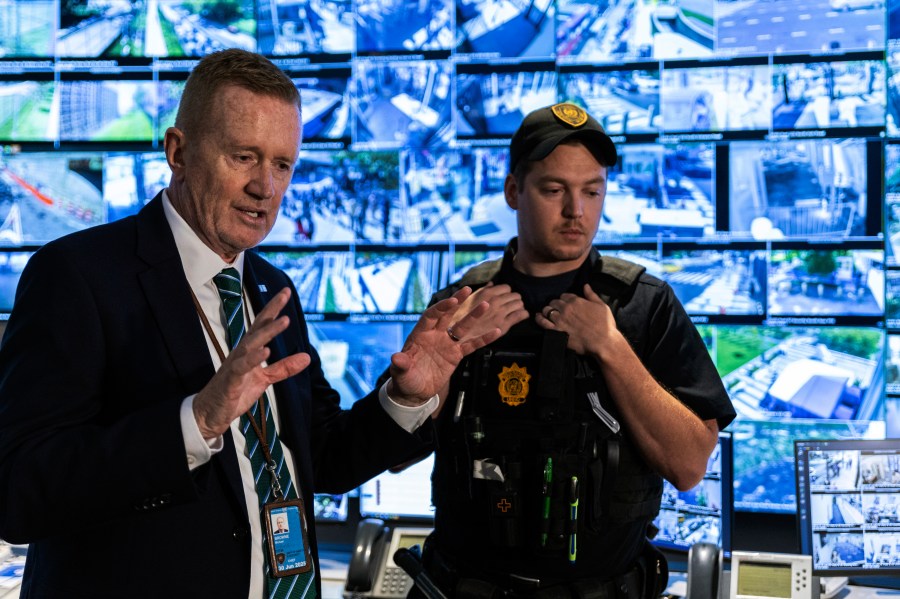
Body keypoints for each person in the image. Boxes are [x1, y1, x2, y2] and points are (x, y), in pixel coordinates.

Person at [0, 49, 499, 598]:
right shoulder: (78, 275)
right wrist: (196, 421)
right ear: (178, 152)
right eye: (243, 157)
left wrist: (403, 399)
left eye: (282, 164)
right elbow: (21, 489)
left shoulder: (270, 287)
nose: (266, 187)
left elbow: (320, 458)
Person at [411, 103, 736, 599]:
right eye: (554, 189)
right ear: (514, 190)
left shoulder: (643, 306)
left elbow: (690, 465)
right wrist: (426, 376)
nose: (576, 211)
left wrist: (612, 349)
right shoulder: (462, 306)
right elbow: (394, 454)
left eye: (592, 190)